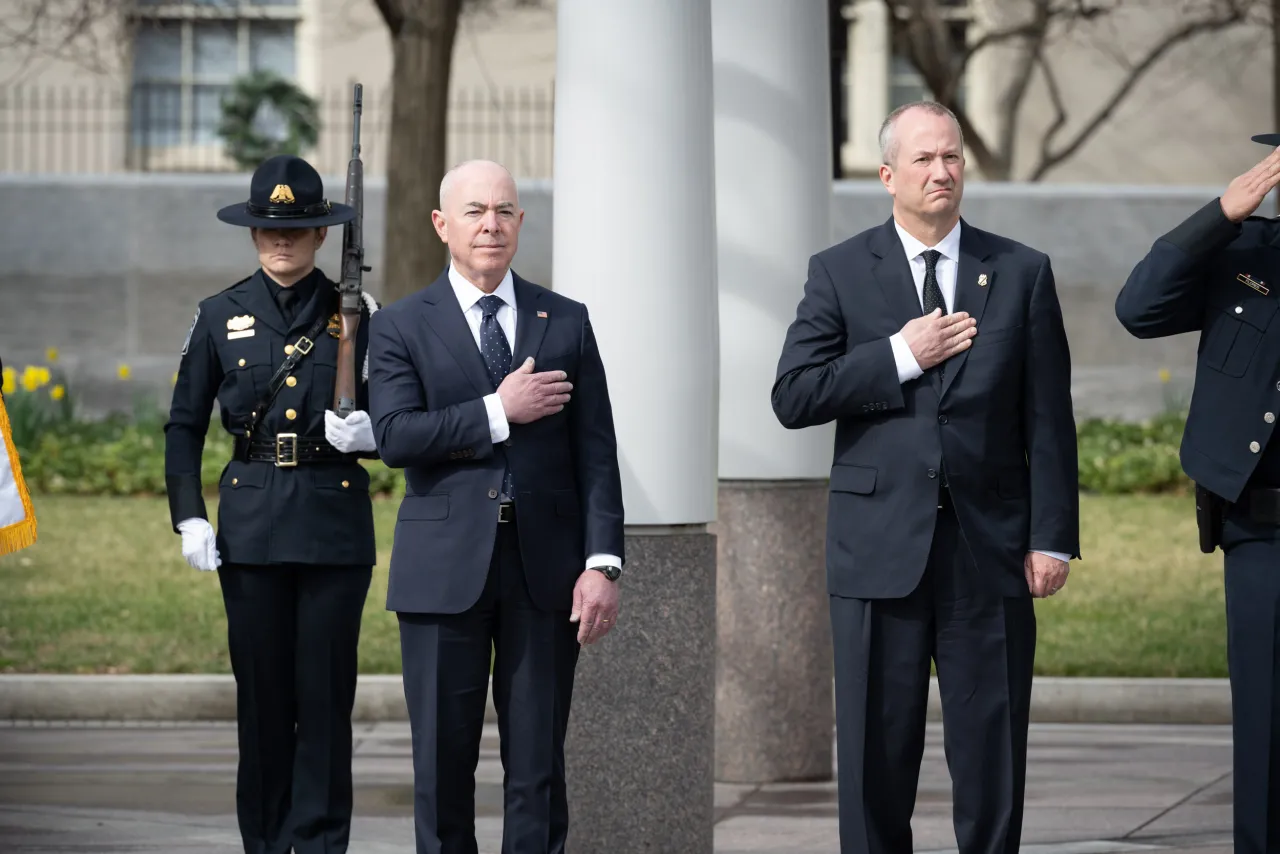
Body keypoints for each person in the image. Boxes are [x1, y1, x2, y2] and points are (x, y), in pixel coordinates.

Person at [771, 101, 1081, 854]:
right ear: (887, 176)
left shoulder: (1020, 272)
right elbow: (794, 395)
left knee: (991, 757)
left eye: (952, 158)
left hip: (991, 553)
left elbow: (1048, 421)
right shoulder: (840, 272)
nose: (942, 172)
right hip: (878, 553)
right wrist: (900, 355)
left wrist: (1052, 539)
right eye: (923, 160)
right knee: (877, 759)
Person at [366, 158, 625, 854]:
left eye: (505, 210)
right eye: (476, 211)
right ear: (441, 225)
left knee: (538, 768)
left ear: (519, 222)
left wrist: (603, 562)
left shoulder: (564, 320)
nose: (491, 224)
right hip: (442, 572)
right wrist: (496, 411)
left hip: (544, 573)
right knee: (444, 770)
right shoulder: (398, 325)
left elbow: (595, 450)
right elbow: (395, 438)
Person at [164, 153, 380, 854]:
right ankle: (265, 841)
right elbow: (184, 423)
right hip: (252, 529)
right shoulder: (218, 314)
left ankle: (318, 843)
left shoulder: (357, 315)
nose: (280, 242)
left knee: (324, 704)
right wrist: (188, 514)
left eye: (296, 230)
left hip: (331, 528)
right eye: (267, 230)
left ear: (322, 235)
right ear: (253, 235)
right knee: (262, 705)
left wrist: (372, 434)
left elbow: (399, 415)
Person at [1115, 136, 1280, 854]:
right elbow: (1139, 308)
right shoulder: (1244, 253)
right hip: (1262, 532)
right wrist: (1219, 214)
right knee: (1265, 726)